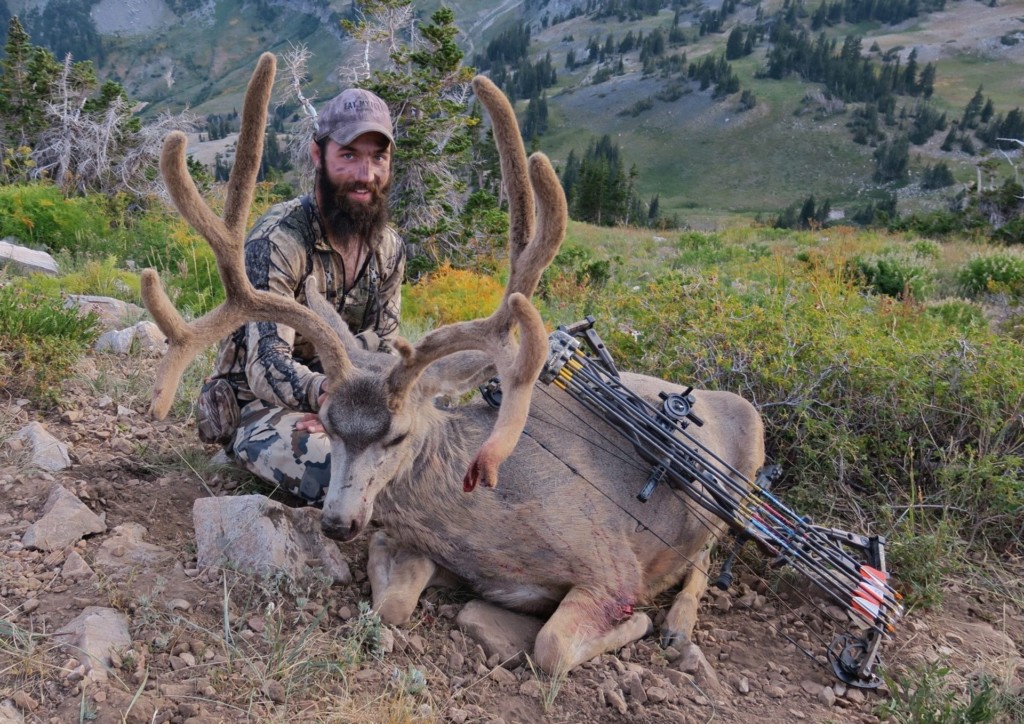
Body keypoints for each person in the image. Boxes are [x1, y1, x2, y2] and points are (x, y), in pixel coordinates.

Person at [195, 87, 405, 503]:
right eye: (349, 155)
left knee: (416, 460)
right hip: (261, 404)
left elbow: (386, 344)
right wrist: (328, 398)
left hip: (348, 404)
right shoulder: (278, 240)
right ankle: (241, 451)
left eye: (377, 158)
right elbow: (267, 364)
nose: (366, 175)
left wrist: (368, 407)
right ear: (317, 155)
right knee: (336, 474)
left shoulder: (388, 248)